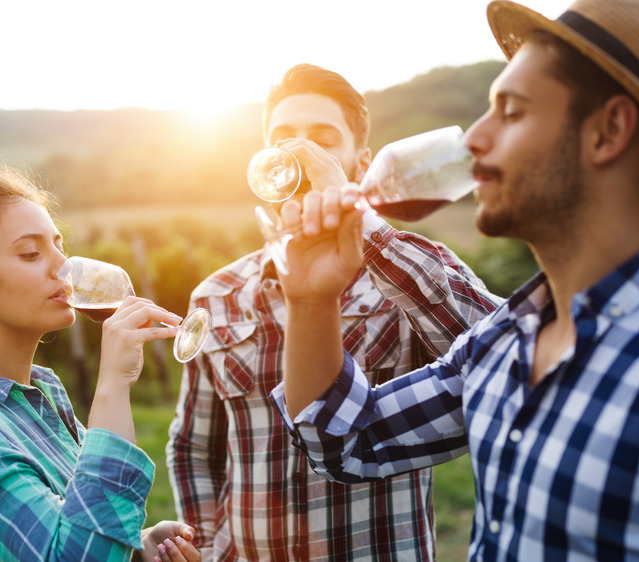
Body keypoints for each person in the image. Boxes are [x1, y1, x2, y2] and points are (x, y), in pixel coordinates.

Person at [272, 0, 639, 559]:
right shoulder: (504, 340)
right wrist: (312, 299)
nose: (473, 141)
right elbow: (344, 441)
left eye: (509, 112)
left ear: (608, 131)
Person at [165, 64, 502, 560]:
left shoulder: (406, 273)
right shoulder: (216, 296)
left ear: (361, 164)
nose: (299, 154)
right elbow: (195, 448)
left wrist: (361, 222)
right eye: (283, 139)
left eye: (323, 139)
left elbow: (507, 348)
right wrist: (207, 545)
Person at [0, 168, 199, 562]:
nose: (63, 269)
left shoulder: (41, 395)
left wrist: (139, 545)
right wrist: (113, 385)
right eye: (31, 253)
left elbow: (79, 526)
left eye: (59, 246)